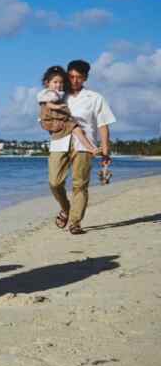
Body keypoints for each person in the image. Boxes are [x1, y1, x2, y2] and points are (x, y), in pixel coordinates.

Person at [48, 59, 116, 235]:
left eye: (79, 77)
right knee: (55, 182)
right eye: (71, 76)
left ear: (85, 78)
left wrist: (105, 149)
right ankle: (66, 208)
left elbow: (103, 124)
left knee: (80, 185)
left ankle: (75, 222)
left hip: (85, 145)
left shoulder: (95, 98)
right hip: (59, 142)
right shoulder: (58, 94)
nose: (74, 80)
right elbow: (45, 115)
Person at [37, 65, 98, 155]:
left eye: (61, 82)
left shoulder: (57, 93)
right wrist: (58, 107)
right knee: (77, 129)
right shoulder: (49, 93)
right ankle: (90, 148)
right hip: (51, 119)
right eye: (55, 82)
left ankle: (90, 148)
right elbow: (47, 104)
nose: (58, 85)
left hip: (54, 120)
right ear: (47, 83)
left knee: (77, 130)